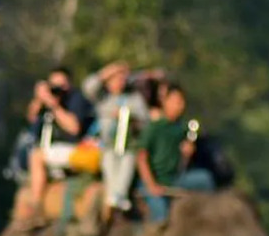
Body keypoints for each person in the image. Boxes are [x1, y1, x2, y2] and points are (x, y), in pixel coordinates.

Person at [14, 67, 95, 228]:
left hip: (74, 150)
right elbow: (31, 117)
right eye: (53, 85)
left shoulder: (76, 99)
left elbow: (74, 128)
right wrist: (39, 99)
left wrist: (55, 106)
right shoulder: (47, 100)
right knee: (33, 154)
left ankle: (37, 207)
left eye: (61, 85)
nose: (57, 89)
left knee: (36, 156)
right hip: (50, 150)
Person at [135, 82, 213, 223]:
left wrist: (187, 153)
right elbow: (141, 157)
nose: (180, 106)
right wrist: (151, 185)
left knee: (205, 179)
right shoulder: (154, 128)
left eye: (182, 102)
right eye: (176, 101)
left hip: (176, 179)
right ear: (165, 101)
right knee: (160, 216)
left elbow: (183, 162)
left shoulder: (181, 128)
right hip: (156, 180)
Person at [83, 61, 154, 211]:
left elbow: (146, 121)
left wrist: (130, 118)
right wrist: (110, 70)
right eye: (115, 79)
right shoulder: (103, 99)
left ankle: (118, 196)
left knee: (128, 161)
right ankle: (113, 195)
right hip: (106, 144)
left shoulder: (134, 99)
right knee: (108, 161)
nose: (119, 82)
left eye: (122, 78)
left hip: (128, 144)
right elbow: (88, 86)